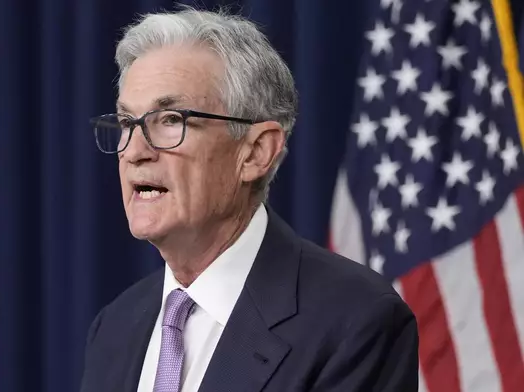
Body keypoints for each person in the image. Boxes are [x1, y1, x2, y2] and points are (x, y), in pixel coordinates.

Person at [80, 6, 419, 392]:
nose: (134, 151)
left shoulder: (355, 322)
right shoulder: (115, 328)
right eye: (128, 122)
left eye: (171, 119)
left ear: (257, 152)